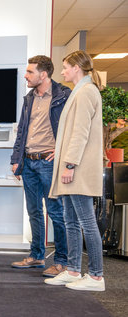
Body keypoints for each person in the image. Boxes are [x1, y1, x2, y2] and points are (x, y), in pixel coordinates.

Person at [45, 50, 105, 291]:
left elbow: (80, 134)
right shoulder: (81, 91)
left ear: (77, 68)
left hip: (76, 168)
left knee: (86, 222)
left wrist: (69, 164)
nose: (62, 72)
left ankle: (96, 276)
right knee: (71, 221)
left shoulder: (85, 93)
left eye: (65, 67)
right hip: (72, 167)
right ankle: (72, 270)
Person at [10, 56, 71, 277]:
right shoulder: (29, 98)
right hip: (28, 162)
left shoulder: (63, 95)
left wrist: (62, 150)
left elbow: (74, 127)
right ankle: (36, 256)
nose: (26, 76)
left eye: (29, 72)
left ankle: (62, 262)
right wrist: (16, 158)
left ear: (43, 74)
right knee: (34, 211)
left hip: (49, 162)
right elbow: (22, 130)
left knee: (56, 212)